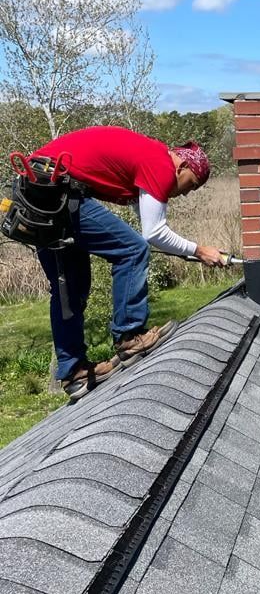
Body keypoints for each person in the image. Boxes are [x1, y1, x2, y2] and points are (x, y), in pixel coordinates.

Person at [30, 126, 225, 400]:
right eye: (192, 184)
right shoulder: (158, 162)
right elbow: (153, 234)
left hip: (36, 190)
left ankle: (74, 372)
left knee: (69, 289)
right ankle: (129, 336)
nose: (186, 193)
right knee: (133, 250)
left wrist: (193, 253)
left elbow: (151, 226)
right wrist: (200, 249)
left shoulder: (147, 158)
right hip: (56, 189)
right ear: (181, 166)